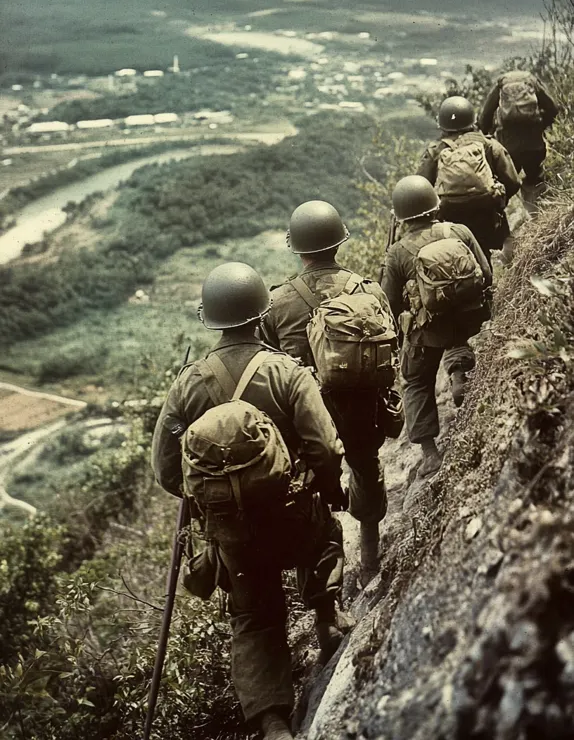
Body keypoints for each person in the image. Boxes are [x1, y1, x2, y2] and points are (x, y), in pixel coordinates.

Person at [151, 262, 348, 740]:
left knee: (254, 617)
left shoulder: (187, 385)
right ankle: (327, 620)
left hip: (235, 536)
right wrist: (324, 489)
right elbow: (324, 447)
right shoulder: (286, 372)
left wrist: (213, 503)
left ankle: (272, 719)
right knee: (323, 535)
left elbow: (165, 470)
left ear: (210, 320)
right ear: (261, 314)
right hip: (294, 519)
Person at [261, 200, 397, 586]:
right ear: (339, 242)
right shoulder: (368, 290)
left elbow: (269, 364)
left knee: (311, 496)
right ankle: (370, 556)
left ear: (297, 248)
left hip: (307, 415)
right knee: (366, 468)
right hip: (360, 405)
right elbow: (391, 343)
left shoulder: (277, 303)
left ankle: (324, 594)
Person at [381, 176, 492, 478]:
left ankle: (431, 454)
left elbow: (389, 305)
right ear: (435, 204)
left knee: (415, 380)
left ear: (401, 217)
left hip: (428, 332)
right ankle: (458, 369)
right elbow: (486, 273)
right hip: (469, 318)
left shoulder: (397, 253)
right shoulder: (459, 231)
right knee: (455, 333)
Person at [417, 95, 520, 265]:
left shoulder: (435, 151)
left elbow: (420, 189)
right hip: (488, 218)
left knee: (454, 261)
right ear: (472, 121)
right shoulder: (489, 146)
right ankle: (492, 287)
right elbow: (513, 181)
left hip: (448, 221)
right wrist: (497, 200)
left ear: (442, 124)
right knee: (486, 256)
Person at [479, 70, 559, 209]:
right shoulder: (532, 81)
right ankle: (537, 217)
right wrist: (541, 126)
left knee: (504, 185)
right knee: (535, 182)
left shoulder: (501, 84)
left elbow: (485, 115)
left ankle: (499, 218)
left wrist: (487, 133)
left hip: (508, 146)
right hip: (534, 144)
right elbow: (552, 108)